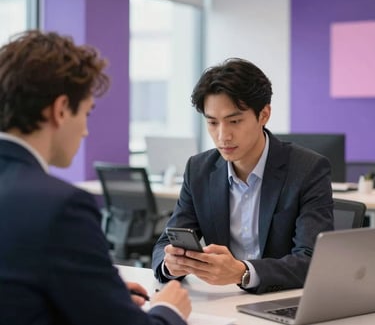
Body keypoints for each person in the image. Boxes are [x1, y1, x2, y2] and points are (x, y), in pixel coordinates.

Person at [0, 30, 191, 325]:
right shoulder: (61, 207)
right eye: (87, 114)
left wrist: (97, 294)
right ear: (61, 110)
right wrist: (169, 310)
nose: (86, 130)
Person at [152, 58, 334, 294]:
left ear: (264, 115)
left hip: (283, 301)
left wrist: (243, 272)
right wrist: (171, 264)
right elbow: (165, 245)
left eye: (234, 121)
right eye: (212, 122)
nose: (222, 136)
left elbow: (312, 260)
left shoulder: (309, 169)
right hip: (224, 303)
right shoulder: (199, 169)